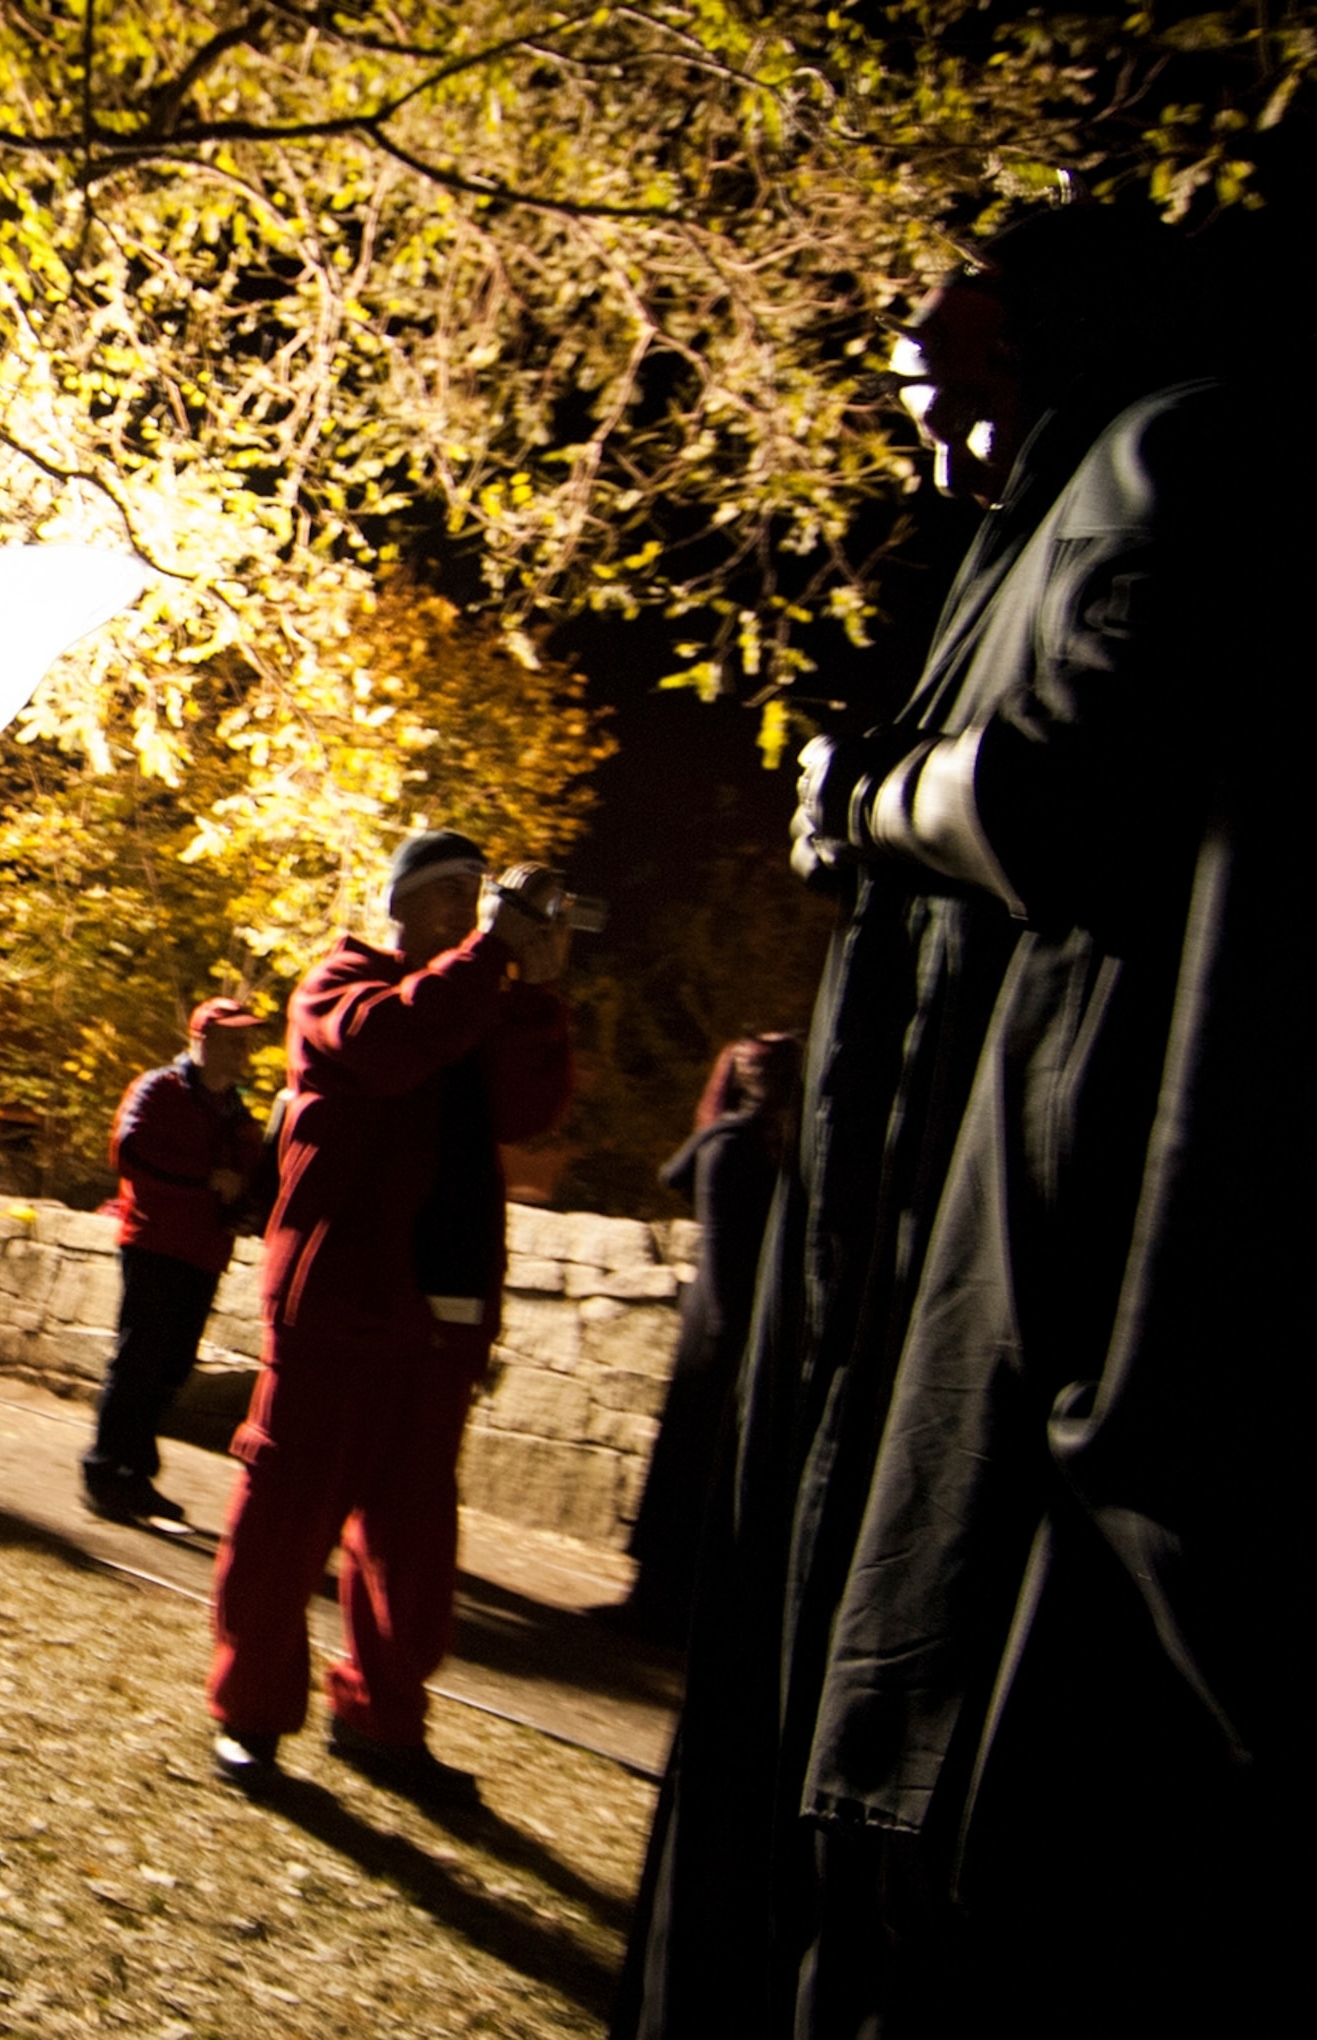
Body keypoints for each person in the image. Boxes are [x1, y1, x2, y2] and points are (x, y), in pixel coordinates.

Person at [619, 207, 1296, 2038]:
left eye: (952, 386)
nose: (935, 441)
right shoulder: (1039, 513)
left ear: (1040, 351)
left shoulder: (1170, 455)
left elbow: (1069, 788)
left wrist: (866, 797)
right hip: (932, 1211)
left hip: (1039, 1241)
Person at [206, 830, 574, 1805]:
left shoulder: (475, 999)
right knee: (285, 1525)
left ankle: (383, 1719)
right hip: (335, 1308)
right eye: (447, 893)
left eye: (479, 896)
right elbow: (388, 1049)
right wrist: (493, 955)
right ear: (397, 904)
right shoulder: (341, 987)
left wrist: (535, 987)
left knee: (411, 1548)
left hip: (443, 1317)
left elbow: (531, 1111)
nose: (466, 911)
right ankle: (249, 1716)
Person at [616, 1033, 797, 1640]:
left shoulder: (732, 1139)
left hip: (717, 1316)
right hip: (743, 1317)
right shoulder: (781, 1149)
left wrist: (722, 1329)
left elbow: (678, 1177)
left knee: (689, 1458)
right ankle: (673, 1601)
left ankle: (656, 1599)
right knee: (705, 1463)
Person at [82, 997, 272, 1524]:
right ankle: (105, 1468)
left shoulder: (240, 1117)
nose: (243, 1050)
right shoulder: (159, 1089)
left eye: (246, 1041)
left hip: (205, 1252)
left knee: (173, 1367)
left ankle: (133, 1472)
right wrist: (205, 1180)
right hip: (153, 1243)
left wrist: (245, 1210)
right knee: (139, 1357)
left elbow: (251, 1184)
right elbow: (131, 1152)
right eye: (233, 1040)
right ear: (203, 1040)